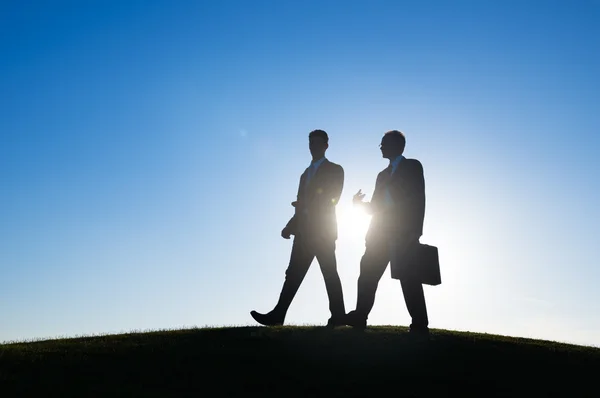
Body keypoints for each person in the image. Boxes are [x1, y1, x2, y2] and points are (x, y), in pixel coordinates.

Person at [251, 129, 346, 327]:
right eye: (311, 143)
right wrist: (290, 226)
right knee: (292, 274)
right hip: (303, 233)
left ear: (326, 146)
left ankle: (338, 316)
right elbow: (300, 205)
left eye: (318, 143)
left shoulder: (336, 169)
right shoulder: (304, 174)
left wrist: (306, 205)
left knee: (329, 273)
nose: (313, 147)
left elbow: (333, 197)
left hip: (323, 232)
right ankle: (278, 315)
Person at [345, 130, 429, 336]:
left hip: (403, 233)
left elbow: (419, 198)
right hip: (378, 234)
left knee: (409, 278)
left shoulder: (413, 166)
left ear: (395, 145)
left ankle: (420, 324)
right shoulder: (381, 175)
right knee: (367, 275)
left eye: (383, 143)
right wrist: (359, 205)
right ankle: (360, 316)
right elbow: (376, 206)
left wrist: (415, 232)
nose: (380, 146)